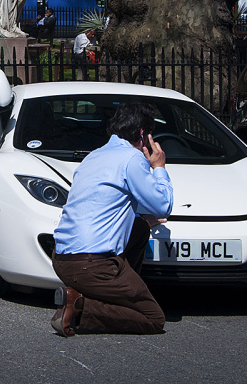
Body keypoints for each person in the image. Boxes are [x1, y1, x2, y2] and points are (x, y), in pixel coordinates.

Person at [49, 102, 173, 336]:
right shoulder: (132, 159)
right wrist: (158, 167)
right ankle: (79, 307)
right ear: (143, 134)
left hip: (62, 261)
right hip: (92, 266)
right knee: (153, 318)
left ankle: (107, 293)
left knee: (139, 227)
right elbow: (163, 205)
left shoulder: (94, 156)